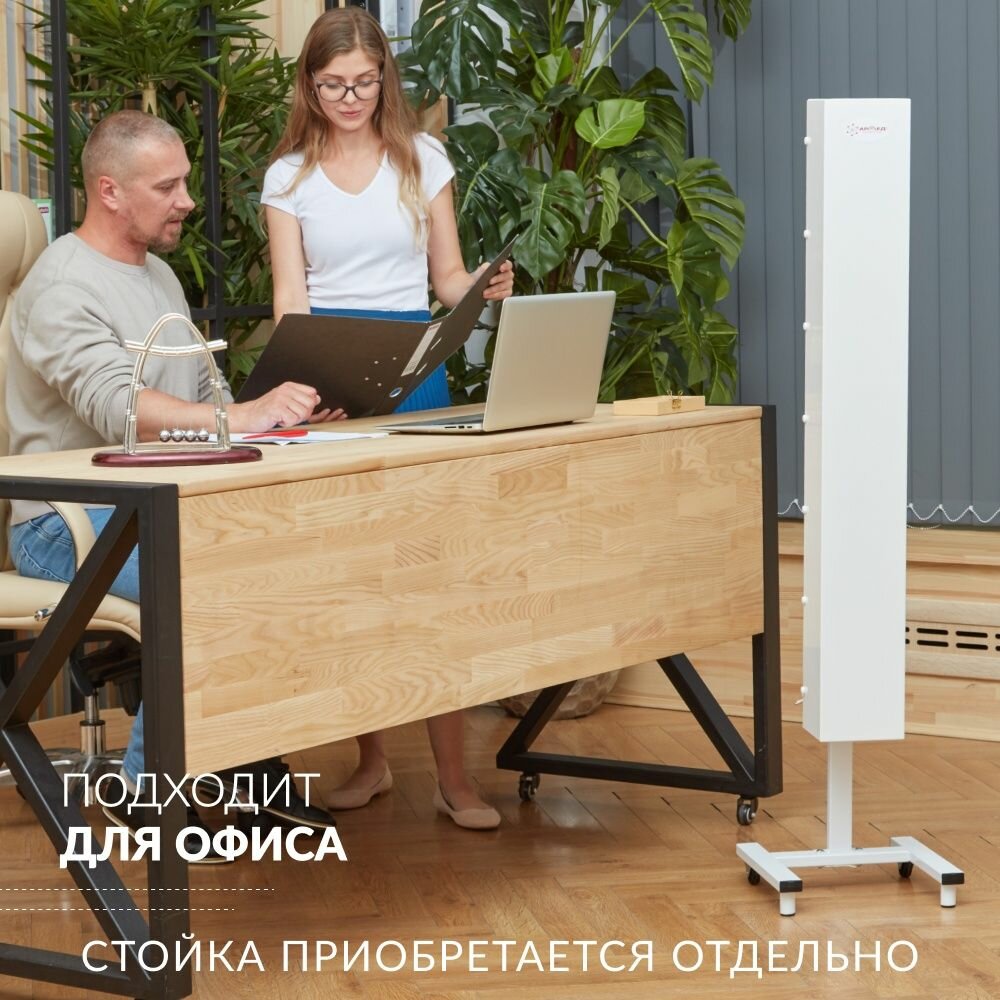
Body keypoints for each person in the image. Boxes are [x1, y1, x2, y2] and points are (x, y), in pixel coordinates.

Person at [7, 109, 338, 860]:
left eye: (185, 182)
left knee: (287, 566)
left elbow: (206, 397)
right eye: (168, 187)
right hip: (66, 525)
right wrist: (239, 416)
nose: (188, 200)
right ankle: (146, 792)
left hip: (156, 508)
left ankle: (248, 779)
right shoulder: (60, 285)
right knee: (206, 586)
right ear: (109, 191)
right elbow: (116, 406)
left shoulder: (157, 275)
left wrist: (276, 415)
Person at [263, 7, 514, 830]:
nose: (350, 98)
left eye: (364, 83)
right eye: (333, 84)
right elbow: (291, 300)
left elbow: (447, 281)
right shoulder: (287, 178)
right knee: (356, 580)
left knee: (434, 580)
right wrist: (307, 385)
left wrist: (485, 287)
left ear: (384, 80)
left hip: (416, 374)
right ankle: (371, 762)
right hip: (331, 376)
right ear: (310, 85)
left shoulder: (424, 160)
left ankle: (454, 780)